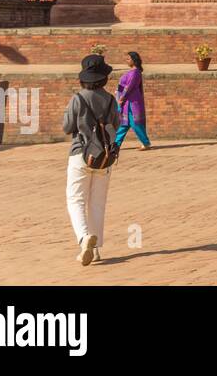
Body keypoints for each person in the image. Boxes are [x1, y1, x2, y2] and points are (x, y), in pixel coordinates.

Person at [61, 53, 119, 266]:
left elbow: (67, 127)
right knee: (97, 203)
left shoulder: (78, 98)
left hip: (80, 154)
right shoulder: (111, 99)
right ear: (103, 77)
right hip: (104, 157)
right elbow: (117, 124)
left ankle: (84, 238)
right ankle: (94, 250)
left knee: (75, 199)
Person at [113, 51, 151, 150]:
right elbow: (123, 86)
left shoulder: (135, 73)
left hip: (131, 103)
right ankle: (116, 144)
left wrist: (121, 98)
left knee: (135, 124)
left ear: (134, 60)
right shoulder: (132, 72)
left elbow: (128, 87)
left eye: (128, 59)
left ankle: (146, 143)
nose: (127, 61)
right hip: (127, 102)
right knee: (124, 124)